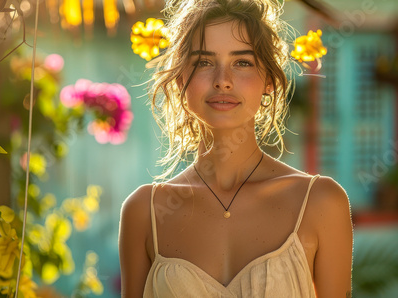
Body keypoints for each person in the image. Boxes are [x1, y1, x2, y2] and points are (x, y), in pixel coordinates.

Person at [119, 0, 353, 297]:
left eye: (242, 62)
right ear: (180, 79)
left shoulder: (321, 203)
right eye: (204, 62)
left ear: (268, 79)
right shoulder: (145, 212)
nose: (223, 81)